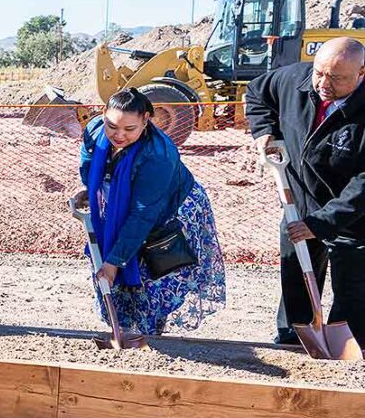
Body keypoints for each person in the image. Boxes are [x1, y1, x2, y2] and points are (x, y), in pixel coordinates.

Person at [75, 88, 226, 335]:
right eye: (112, 126)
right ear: (103, 115)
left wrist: (114, 261)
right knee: (112, 262)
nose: (119, 135)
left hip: (168, 210)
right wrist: (91, 186)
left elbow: (143, 213)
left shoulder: (158, 155)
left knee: (149, 273)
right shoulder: (95, 129)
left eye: (129, 129)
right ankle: (124, 327)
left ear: (146, 120)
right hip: (120, 205)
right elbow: (88, 159)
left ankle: (150, 334)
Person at [245, 37, 365, 346]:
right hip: (298, 204)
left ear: (361, 73)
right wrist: (264, 131)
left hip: (354, 218)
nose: (324, 83)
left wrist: (321, 223)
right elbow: (257, 92)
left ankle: (348, 346)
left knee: (352, 290)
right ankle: (291, 337)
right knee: (295, 277)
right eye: (320, 73)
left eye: (336, 78)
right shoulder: (295, 79)